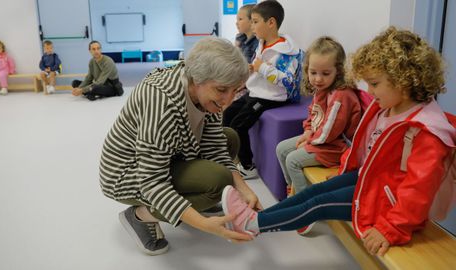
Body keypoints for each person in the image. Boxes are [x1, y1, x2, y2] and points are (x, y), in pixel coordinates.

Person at [221, 27, 455, 256]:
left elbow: (418, 192)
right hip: (372, 181)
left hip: (388, 205)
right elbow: (367, 150)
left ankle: (252, 224)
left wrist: (391, 228)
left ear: (404, 82)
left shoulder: (426, 132)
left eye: (374, 84)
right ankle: (256, 218)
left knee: (317, 205)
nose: (370, 92)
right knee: (314, 192)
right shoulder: (386, 108)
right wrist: (345, 171)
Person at [99, 37, 262, 256]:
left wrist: (245, 190)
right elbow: (152, 181)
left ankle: (192, 202)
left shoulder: (205, 92)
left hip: (170, 157)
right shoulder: (162, 101)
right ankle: (139, 215)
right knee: (218, 180)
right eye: (222, 90)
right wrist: (204, 224)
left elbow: (215, 147)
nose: (229, 101)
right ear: (197, 79)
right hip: (128, 173)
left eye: (235, 91)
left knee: (229, 137)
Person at [223, 0, 303, 179]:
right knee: (227, 114)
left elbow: (289, 82)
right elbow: (260, 68)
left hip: (272, 97)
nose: (252, 26)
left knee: (238, 125)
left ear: (271, 23)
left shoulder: (287, 52)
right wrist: (254, 70)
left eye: (255, 21)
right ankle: (229, 158)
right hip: (256, 92)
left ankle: (248, 166)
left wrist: (262, 68)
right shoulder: (262, 44)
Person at [276, 37, 362, 199]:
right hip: (322, 142)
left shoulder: (340, 96)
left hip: (336, 148)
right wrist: (307, 131)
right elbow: (313, 114)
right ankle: (292, 189)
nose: (318, 79)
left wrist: (308, 142)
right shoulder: (322, 89)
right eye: (313, 72)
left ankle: (302, 203)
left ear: (338, 71)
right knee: (281, 148)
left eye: (325, 73)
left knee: (293, 160)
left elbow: (329, 132)